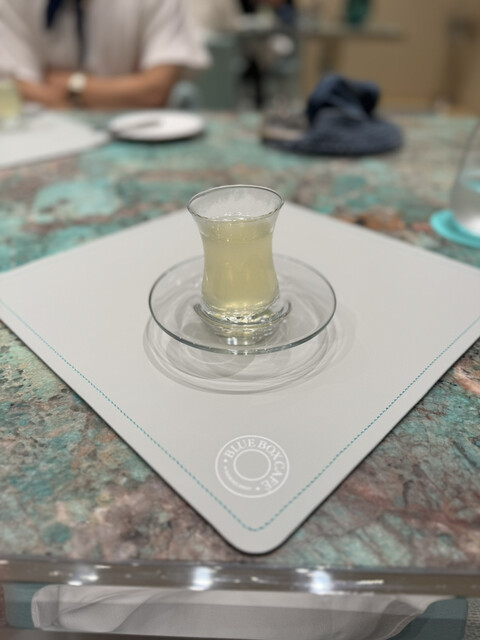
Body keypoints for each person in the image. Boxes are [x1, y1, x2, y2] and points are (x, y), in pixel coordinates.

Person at [0, 0, 209, 110]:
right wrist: (120, 93)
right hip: (46, 137)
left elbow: (155, 90)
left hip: (141, 134)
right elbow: (17, 89)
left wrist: (71, 85)